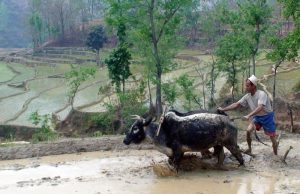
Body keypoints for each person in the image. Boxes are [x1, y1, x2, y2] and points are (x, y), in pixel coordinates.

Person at [218, 75, 278, 155]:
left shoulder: (261, 94)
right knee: (248, 131)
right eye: (246, 85)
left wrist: (248, 115)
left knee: (272, 138)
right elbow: (236, 104)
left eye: (247, 85)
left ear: (253, 86)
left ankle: (276, 154)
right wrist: (223, 109)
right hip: (257, 117)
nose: (246, 87)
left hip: (267, 117)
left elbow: (260, 107)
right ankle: (249, 149)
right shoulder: (247, 96)